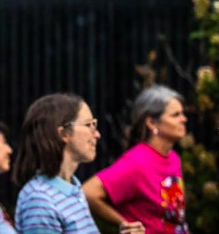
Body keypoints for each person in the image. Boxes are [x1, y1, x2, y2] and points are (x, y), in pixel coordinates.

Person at [83, 85, 189, 234]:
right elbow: (89, 192)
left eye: (182, 113)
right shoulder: (137, 162)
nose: (184, 119)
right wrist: (124, 223)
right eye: (175, 115)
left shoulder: (173, 158)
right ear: (152, 123)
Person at [12, 93, 104, 234]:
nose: (97, 134)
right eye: (88, 125)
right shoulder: (40, 201)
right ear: (63, 134)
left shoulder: (73, 186)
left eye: (94, 124)